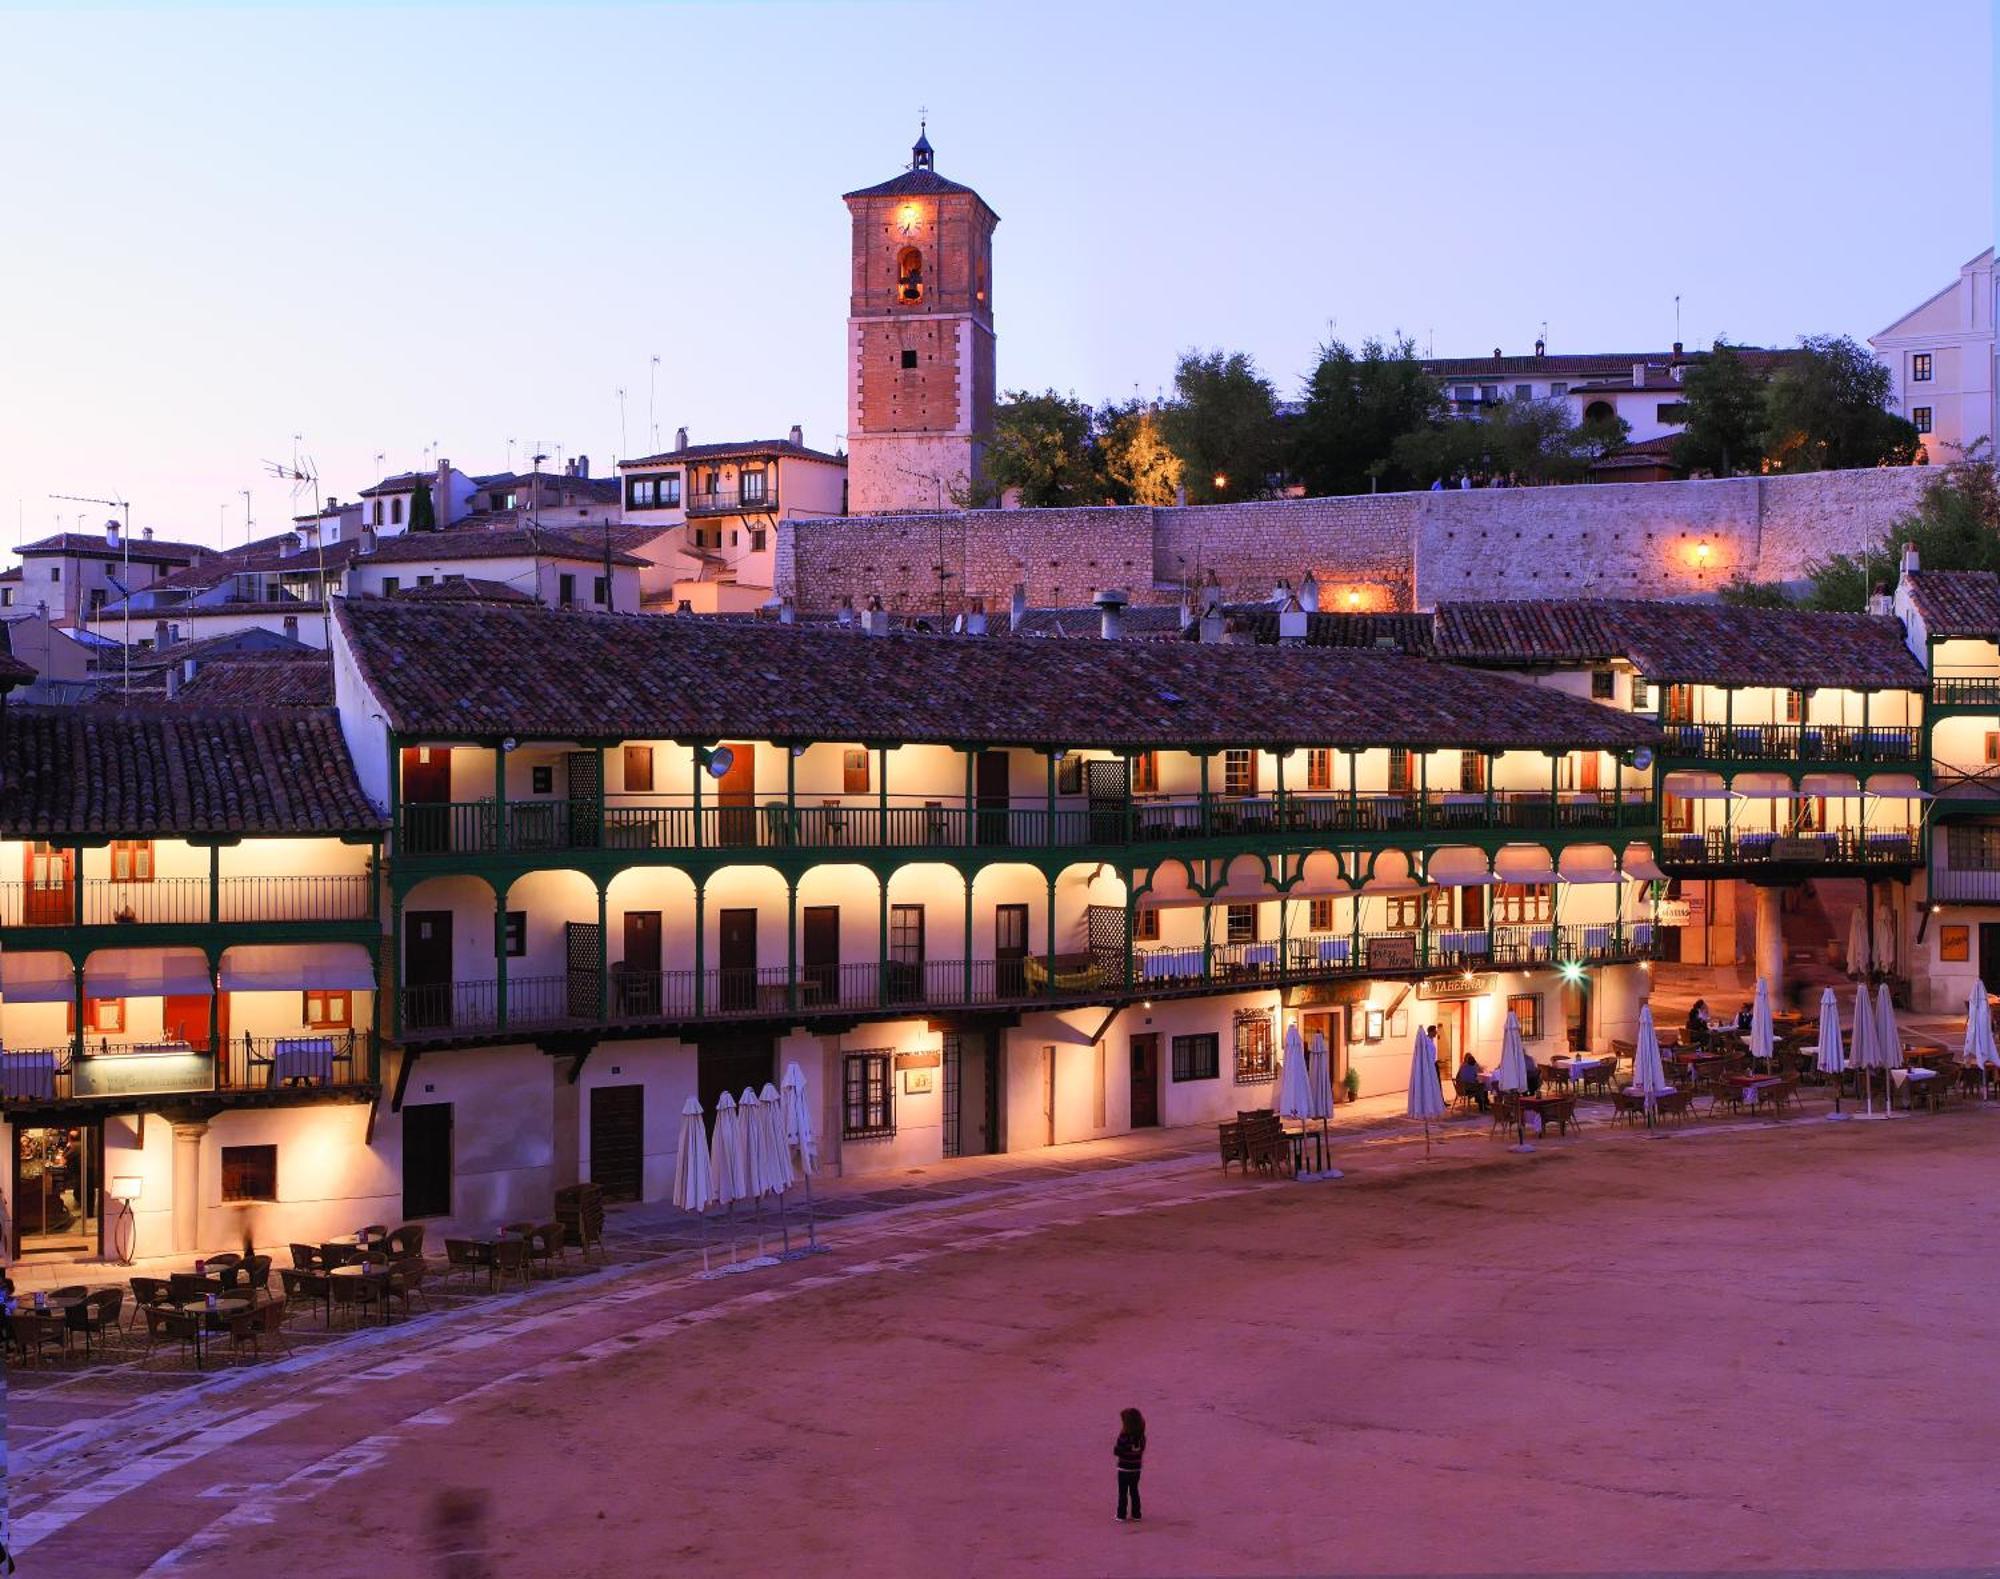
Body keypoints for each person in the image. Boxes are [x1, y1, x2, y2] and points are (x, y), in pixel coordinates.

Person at [1114, 1407, 1146, 1522]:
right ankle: (1136, 1514)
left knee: (1123, 1492)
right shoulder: (1142, 1437)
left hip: (1124, 1468)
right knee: (1134, 1490)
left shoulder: (1123, 1437)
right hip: (1136, 1469)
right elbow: (1142, 1450)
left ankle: (1121, 1515)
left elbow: (1117, 1451)